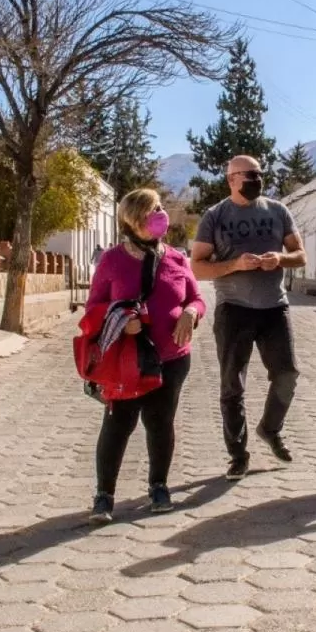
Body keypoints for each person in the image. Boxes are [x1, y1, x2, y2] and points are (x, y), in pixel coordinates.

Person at [85, 189, 205, 523]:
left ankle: (159, 487)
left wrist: (190, 314)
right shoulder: (111, 260)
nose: (162, 214)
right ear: (135, 218)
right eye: (155, 209)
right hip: (128, 360)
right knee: (118, 424)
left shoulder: (177, 258)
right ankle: (104, 495)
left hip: (172, 357)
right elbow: (93, 307)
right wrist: (122, 322)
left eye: (161, 208)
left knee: (161, 422)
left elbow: (196, 299)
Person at [191, 154, 307, 479]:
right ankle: (238, 455)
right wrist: (234, 265)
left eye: (259, 174)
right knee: (232, 385)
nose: (256, 179)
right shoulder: (215, 216)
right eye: (248, 175)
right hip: (233, 310)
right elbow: (197, 267)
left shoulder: (277, 211)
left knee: (287, 374)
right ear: (231, 179)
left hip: (274, 307)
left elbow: (300, 255)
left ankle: (270, 428)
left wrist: (279, 260)